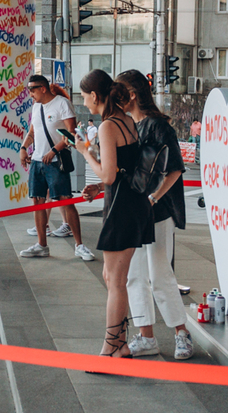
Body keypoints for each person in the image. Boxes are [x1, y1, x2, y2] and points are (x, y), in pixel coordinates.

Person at [115, 69, 193, 360]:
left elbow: (174, 169)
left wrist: (153, 197)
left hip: (156, 211)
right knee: (134, 275)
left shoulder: (158, 127)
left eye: (119, 92)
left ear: (132, 94)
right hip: (133, 210)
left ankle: (181, 333)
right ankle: (146, 336)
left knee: (160, 274)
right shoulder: (127, 126)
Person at [77, 70, 154, 358]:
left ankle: (111, 347)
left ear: (95, 96)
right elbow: (121, 171)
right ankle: (118, 343)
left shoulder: (109, 126)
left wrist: (86, 153)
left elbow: (109, 175)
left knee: (115, 281)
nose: (84, 104)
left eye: (84, 98)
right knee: (113, 278)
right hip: (131, 205)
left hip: (121, 208)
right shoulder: (126, 120)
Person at [20, 74, 94, 262]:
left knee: (66, 201)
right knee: (37, 201)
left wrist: (53, 151)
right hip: (37, 160)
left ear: (43, 88)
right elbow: (32, 132)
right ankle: (42, 245)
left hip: (56, 161)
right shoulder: (36, 107)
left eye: (32, 89)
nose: (30, 94)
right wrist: (23, 148)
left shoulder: (62, 103)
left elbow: (71, 134)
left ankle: (79, 245)